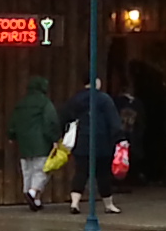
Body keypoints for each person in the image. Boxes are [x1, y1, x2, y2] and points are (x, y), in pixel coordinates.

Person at [63, 76, 122, 217]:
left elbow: (65, 118)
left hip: (81, 140)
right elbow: (113, 120)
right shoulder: (104, 99)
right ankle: (108, 204)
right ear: (96, 82)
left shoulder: (75, 99)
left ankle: (74, 203)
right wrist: (119, 137)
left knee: (81, 172)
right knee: (103, 174)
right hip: (101, 141)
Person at [9, 74, 59, 210]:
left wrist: (11, 136)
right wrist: (55, 138)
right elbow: (50, 122)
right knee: (42, 169)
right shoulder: (45, 103)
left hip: (24, 143)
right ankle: (32, 192)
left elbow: (13, 121)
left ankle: (33, 198)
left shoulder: (21, 104)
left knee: (28, 170)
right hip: (41, 143)